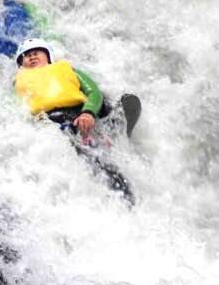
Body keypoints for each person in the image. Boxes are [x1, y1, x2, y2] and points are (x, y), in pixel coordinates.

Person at [13, 38, 140, 203]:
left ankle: (114, 128)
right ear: (21, 64)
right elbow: (11, 109)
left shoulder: (66, 69)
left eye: (36, 53)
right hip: (52, 125)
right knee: (87, 155)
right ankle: (120, 191)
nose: (32, 57)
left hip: (82, 114)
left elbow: (93, 92)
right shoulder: (19, 81)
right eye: (27, 56)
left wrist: (88, 112)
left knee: (109, 102)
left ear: (48, 56)